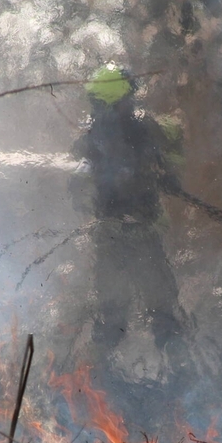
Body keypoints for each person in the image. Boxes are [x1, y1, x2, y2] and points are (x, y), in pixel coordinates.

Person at [70, 64, 187, 361]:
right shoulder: (101, 135)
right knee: (129, 313)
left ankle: (175, 366)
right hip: (123, 233)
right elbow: (78, 176)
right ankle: (101, 375)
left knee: (143, 312)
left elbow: (172, 146)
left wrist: (166, 172)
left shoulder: (130, 130)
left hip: (129, 232)